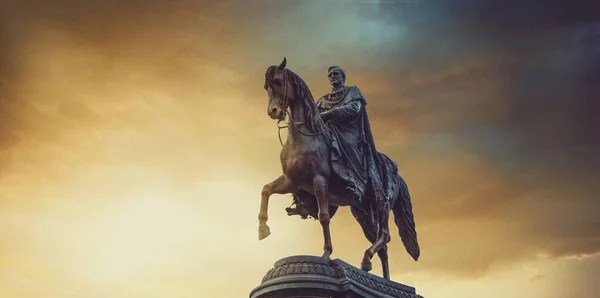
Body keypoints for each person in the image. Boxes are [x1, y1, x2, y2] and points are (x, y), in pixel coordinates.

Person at [315, 66, 398, 213]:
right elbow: (313, 115)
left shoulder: (352, 91)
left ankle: (356, 181)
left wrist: (330, 114)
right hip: (328, 131)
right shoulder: (323, 100)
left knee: (348, 144)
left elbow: (354, 108)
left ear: (342, 77)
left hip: (349, 132)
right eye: (330, 75)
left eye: (336, 74)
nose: (332, 76)